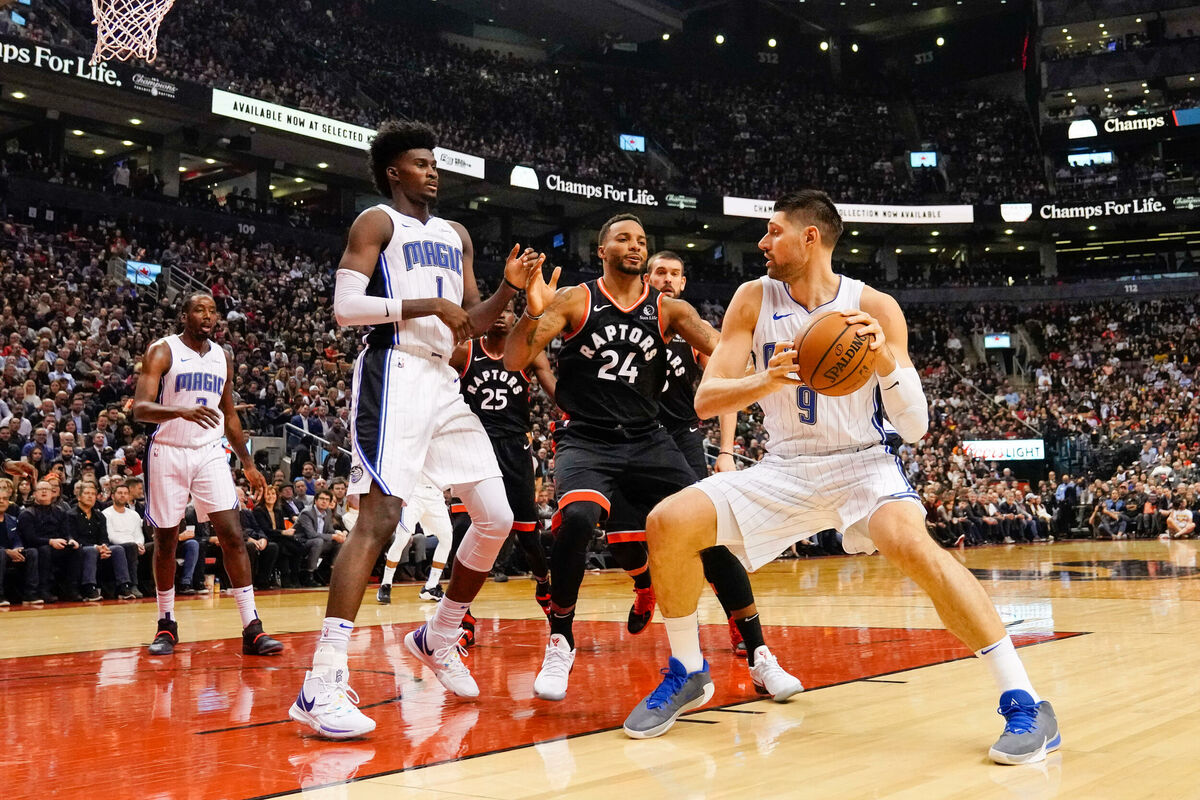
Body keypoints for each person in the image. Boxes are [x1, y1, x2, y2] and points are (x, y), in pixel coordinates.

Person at [621, 191, 1058, 766]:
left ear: (810, 237)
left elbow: (915, 426)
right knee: (668, 522)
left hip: (862, 463)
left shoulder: (873, 306)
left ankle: (1025, 700)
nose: (762, 242)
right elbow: (706, 399)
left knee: (914, 546)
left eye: (773, 231)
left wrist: (883, 362)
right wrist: (764, 380)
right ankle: (687, 670)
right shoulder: (753, 298)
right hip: (785, 466)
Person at [288, 120, 541, 740]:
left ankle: (439, 634)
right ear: (394, 171)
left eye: (435, 163)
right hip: (394, 368)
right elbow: (346, 309)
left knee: (496, 517)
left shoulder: (456, 235)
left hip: (443, 380)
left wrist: (509, 290)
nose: (433, 171)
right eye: (421, 163)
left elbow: (472, 321)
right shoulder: (376, 222)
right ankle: (321, 683)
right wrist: (426, 304)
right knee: (378, 519)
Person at [506, 213, 742, 702]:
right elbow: (515, 359)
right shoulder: (576, 300)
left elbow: (723, 352)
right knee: (580, 519)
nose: (635, 246)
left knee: (706, 523)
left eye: (641, 240)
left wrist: (774, 357)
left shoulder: (670, 310)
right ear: (601, 250)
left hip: (652, 438)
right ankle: (561, 638)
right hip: (589, 438)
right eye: (623, 239)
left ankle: (757, 647)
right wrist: (530, 308)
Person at [642, 251, 802, 694]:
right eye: (660, 272)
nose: (668, 279)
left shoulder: (692, 331)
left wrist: (727, 450)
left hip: (680, 439)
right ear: (646, 278)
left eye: (675, 274)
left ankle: (755, 646)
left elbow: (726, 388)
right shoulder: (617, 322)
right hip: (626, 440)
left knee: (711, 541)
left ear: (683, 283)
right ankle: (643, 586)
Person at [131, 292, 283, 657]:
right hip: (167, 450)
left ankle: (252, 628)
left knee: (233, 534)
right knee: (166, 541)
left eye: (212, 311)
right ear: (184, 315)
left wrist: (247, 463)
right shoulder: (162, 351)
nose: (208, 316)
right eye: (199, 309)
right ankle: (166, 623)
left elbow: (229, 414)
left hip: (210, 451)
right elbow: (140, 408)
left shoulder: (222, 356)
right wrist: (179, 411)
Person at [450, 306, 556, 613]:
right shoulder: (464, 352)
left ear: (515, 319)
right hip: (474, 444)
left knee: (527, 532)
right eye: (496, 309)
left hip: (514, 447)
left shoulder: (528, 352)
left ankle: (543, 581)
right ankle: (462, 613)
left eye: (507, 310)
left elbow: (557, 392)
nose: (500, 315)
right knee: (463, 525)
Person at [376, 480, 452, 603]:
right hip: (414, 493)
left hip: (435, 494)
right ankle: (386, 584)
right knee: (402, 538)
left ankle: (431, 586)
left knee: (447, 538)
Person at [101, 483, 148, 597]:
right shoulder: (106, 514)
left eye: (125, 493)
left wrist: (140, 544)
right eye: (120, 493)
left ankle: (155, 585)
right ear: (113, 496)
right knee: (130, 547)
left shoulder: (134, 514)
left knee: (155, 547)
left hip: (134, 545)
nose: (123, 495)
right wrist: (133, 544)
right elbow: (111, 536)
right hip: (115, 545)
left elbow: (138, 534)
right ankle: (133, 585)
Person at [292, 488, 345, 585]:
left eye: (327, 499)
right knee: (318, 541)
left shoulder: (328, 512)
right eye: (322, 499)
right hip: (301, 542)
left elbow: (329, 530)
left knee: (339, 542)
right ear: (316, 500)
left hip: (319, 541)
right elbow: (311, 534)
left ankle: (332, 571)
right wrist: (333, 536)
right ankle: (309, 574)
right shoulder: (307, 513)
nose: (324, 501)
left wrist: (338, 534)